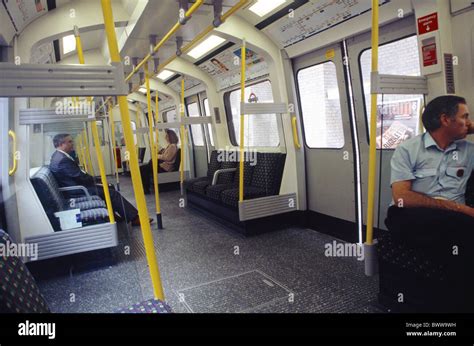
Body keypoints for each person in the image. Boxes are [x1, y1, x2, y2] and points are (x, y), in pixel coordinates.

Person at [386, 95, 474, 247]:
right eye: (465, 117)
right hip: (411, 211)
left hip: (453, 215)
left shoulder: (469, 151)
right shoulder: (408, 150)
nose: (469, 122)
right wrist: (458, 208)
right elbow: (402, 198)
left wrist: (466, 127)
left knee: (458, 231)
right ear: (445, 120)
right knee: (461, 228)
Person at [50, 133, 150, 226]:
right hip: (76, 191)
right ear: (61, 144)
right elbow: (80, 177)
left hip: (75, 186)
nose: (73, 144)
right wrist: (99, 181)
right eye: (70, 142)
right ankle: (135, 218)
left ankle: (115, 215)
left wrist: (98, 181)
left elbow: (79, 175)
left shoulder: (58, 156)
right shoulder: (62, 160)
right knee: (111, 192)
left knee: (109, 187)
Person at [140, 129, 179, 194]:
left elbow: (168, 158)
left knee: (143, 169)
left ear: (170, 137)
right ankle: (145, 188)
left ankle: (146, 188)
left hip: (166, 167)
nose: (165, 138)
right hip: (162, 165)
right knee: (144, 168)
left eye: (166, 136)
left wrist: (157, 156)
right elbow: (164, 155)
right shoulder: (169, 146)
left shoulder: (172, 146)